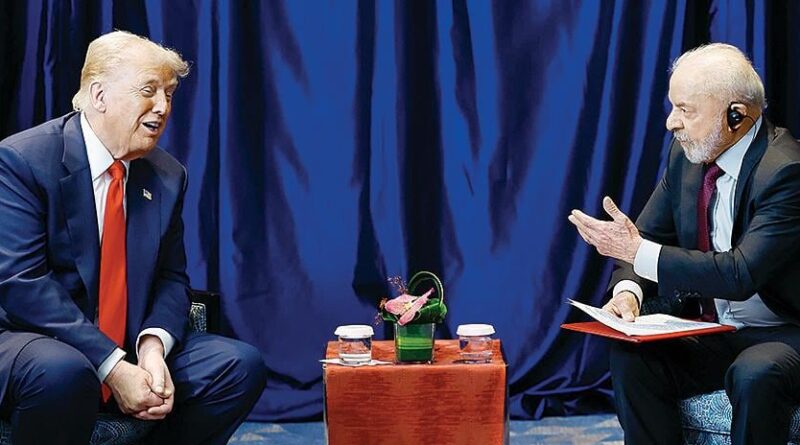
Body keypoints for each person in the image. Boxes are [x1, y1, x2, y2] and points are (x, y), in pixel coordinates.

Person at [0, 30, 267, 444]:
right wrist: (111, 365)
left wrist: (152, 348)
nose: (162, 107)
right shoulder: (23, 160)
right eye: (148, 91)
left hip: (126, 345)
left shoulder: (166, 174)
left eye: (169, 94)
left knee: (237, 366)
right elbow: (22, 284)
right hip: (31, 340)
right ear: (99, 95)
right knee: (64, 371)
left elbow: (171, 278)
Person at [568, 43, 800, 445]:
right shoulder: (686, 156)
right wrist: (628, 292)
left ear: (735, 115)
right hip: (719, 330)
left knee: (755, 373)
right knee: (632, 356)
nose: (670, 122)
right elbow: (646, 238)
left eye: (685, 110)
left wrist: (636, 251)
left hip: (786, 331)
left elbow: (740, 273)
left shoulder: (786, 172)